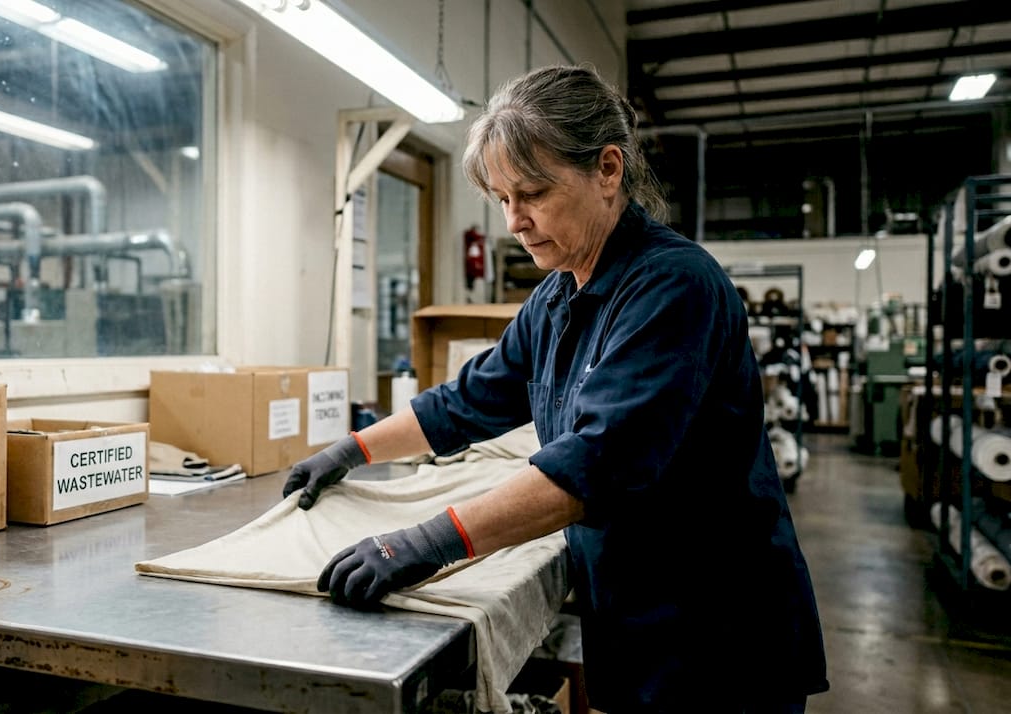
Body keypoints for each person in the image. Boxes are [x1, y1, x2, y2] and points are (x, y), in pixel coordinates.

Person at [282, 64, 828, 713]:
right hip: (633, 617)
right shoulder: (554, 299)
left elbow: (593, 465)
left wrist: (422, 544)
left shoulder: (675, 287)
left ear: (607, 169)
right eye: (503, 198)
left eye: (533, 193)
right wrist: (350, 451)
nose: (515, 220)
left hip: (717, 633)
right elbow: (466, 402)